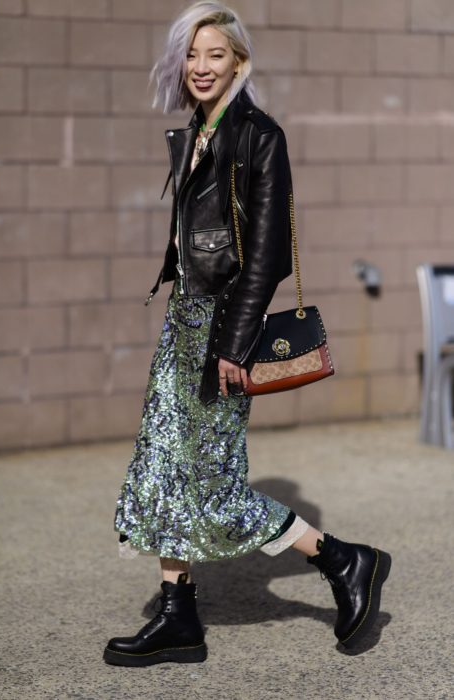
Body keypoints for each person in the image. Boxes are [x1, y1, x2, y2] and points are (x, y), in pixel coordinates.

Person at [103, 1, 391, 667]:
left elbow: (262, 253)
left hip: (219, 327)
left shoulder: (258, 135)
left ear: (240, 62)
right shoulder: (198, 130)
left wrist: (233, 342)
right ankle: (178, 617)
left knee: (211, 483)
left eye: (216, 55)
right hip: (185, 321)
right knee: (160, 467)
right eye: (193, 54)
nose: (201, 67)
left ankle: (343, 560)